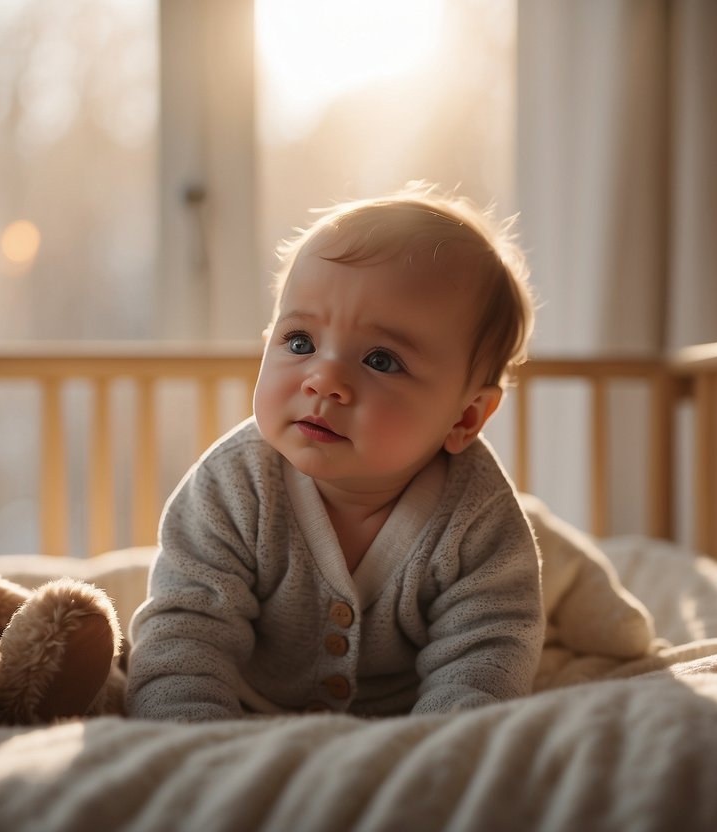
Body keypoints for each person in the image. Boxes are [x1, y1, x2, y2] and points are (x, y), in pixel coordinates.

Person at [126, 183, 543, 721]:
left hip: (398, 720)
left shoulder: (479, 518)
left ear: (464, 418)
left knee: (537, 553)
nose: (324, 380)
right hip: (250, 706)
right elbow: (183, 635)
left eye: (381, 360)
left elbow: (487, 658)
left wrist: (439, 752)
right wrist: (190, 742)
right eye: (300, 342)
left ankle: (574, 574)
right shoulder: (232, 485)